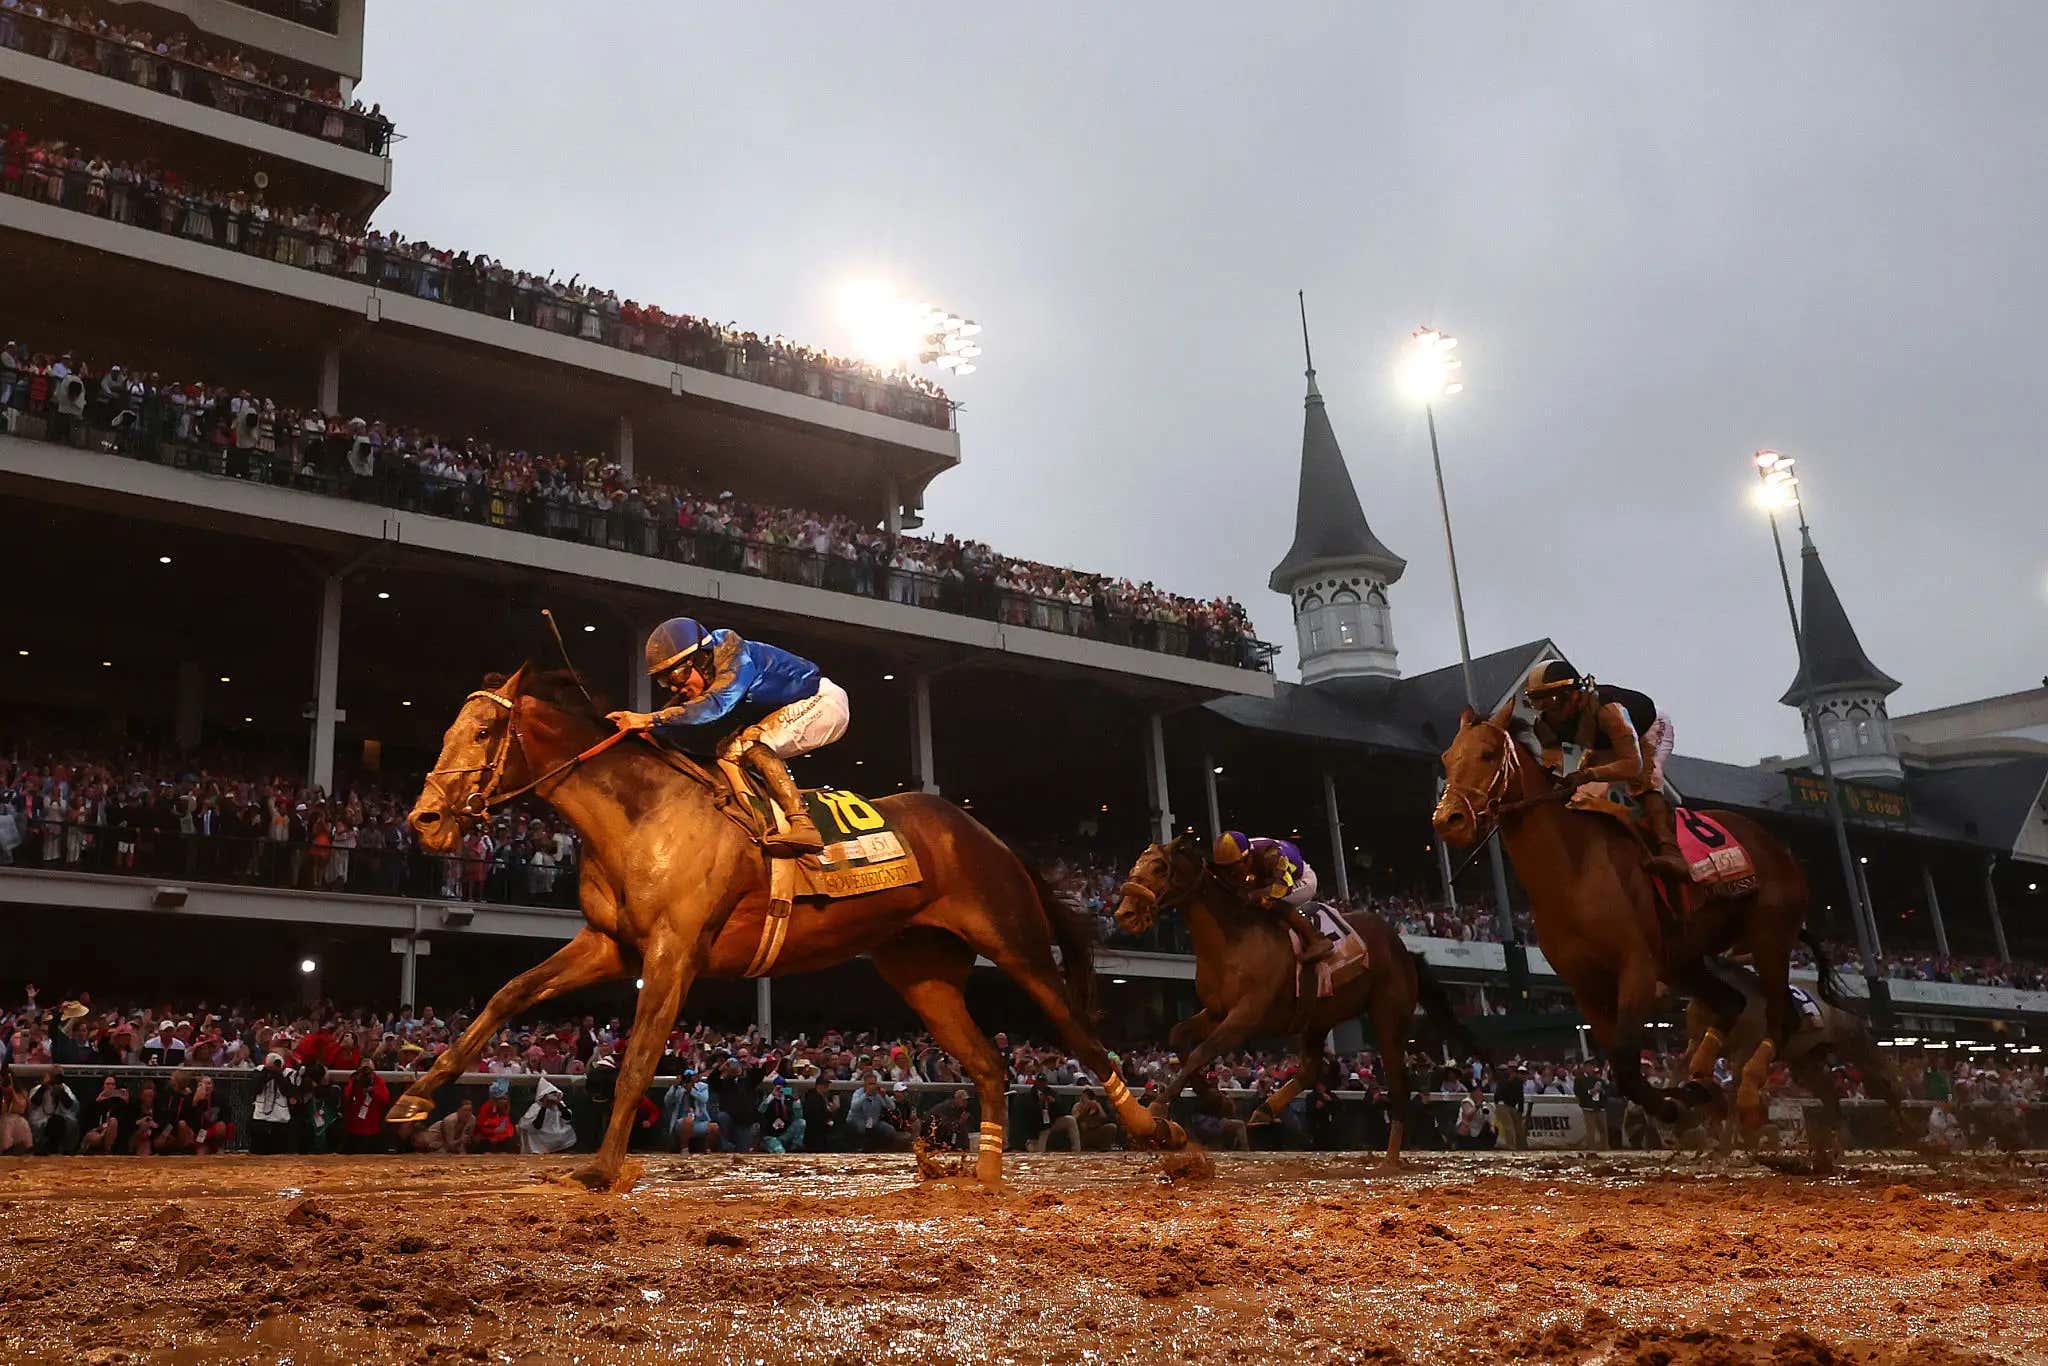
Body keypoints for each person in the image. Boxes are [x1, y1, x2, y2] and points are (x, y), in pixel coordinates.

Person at [608, 616, 850, 853]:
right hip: (792, 707)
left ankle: (802, 823)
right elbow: (678, 717)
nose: (674, 687)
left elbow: (713, 707)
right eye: (664, 681)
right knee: (728, 751)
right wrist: (648, 731)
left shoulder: (736, 657)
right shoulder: (708, 671)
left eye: (676, 676)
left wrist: (648, 719)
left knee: (753, 742)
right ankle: (762, 818)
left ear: (701, 659)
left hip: (823, 701)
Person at [1522, 661, 1687, 881]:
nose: (1545, 709)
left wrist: (1588, 774)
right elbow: (1556, 767)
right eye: (1537, 702)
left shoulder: (1609, 711)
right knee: (1578, 791)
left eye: (1550, 700)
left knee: (1644, 779)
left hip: (1648, 730)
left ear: (1573, 695)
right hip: (1606, 742)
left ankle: (1669, 848)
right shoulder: (1544, 724)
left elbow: (1632, 765)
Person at [1210, 831, 1332, 963]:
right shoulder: (1241, 857)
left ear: (1248, 857)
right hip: (1270, 880)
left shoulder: (1270, 853)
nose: (1232, 874)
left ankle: (1317, 939)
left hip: (1299, 880)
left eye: (1234, 868)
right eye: (1226, 870)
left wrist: (1254, 895)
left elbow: (1284, 887)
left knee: (1269, 902)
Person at [249, 1051, 299, 1154]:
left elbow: (288, 1091)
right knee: (257, 1152)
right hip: (260, 1117)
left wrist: (278, 1074)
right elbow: (255, 1089)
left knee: (279, 1153)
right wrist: (267, 1072)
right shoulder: (260, 1070)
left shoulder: (290, 1073)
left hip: (281, 1118)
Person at [517, 1076, 577, 1154]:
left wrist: (559, 1103)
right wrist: (544, 1106)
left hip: (557, 1133)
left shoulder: (558, 1105)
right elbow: (537, 1126)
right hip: (540, 1136)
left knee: (567, 1131)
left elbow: (568, 1117)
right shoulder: (536, 1107)